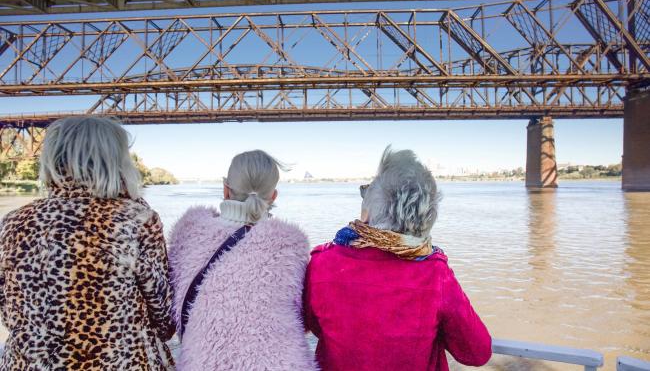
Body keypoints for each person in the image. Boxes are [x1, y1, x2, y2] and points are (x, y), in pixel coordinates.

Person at [0, 116, 175, 370]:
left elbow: (8, 309)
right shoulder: (137, 220)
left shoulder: (13, 223)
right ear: (115, 161)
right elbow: (164, 318)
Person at [304, 146, 492, 371]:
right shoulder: (435, 275)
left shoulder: (321, 264)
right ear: (428, 218)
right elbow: (476, 352)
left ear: (367, 213)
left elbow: (311, 324)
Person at [168, 150, 316, 370]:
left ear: (226, 189)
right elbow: (301, 319)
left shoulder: (188, 231)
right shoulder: (290, 243)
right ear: (273, 196)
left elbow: (174, 309)